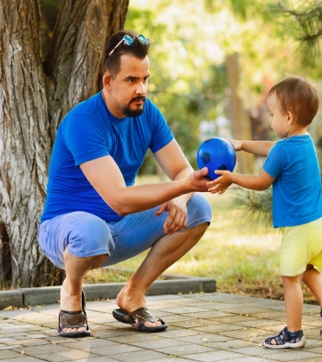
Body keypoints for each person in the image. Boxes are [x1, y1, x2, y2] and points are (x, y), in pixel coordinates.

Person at [38, 30, 212, 338]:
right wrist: (183, 187)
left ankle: (133, 294)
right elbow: (118, 198)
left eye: (145, 79)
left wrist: (183, 197)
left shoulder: (148, 113)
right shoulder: (84, 122)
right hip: (66, 232)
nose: (141, 88)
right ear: (108, 82)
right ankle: (72, 290)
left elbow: (182, 169)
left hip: (117, 229)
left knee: (198, 207)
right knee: (92, 230)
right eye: (131, 80)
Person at [208, 75, 322, 348]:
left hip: (300, 228)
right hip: (320, 223)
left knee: (290, 279)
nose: (269, 121)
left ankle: (293, 333)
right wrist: (244, 144)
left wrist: (231, 177)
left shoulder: (283, 151)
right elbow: (273, 149)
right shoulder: (304, 143)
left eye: (272, 115)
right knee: (307, 269)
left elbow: (260, 182)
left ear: (289, 117)